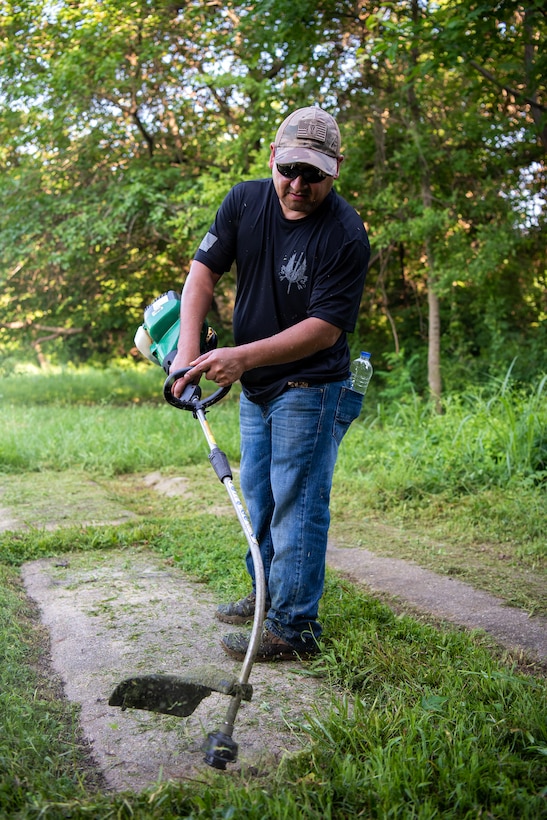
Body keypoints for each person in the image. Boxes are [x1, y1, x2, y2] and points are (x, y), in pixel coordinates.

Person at [170, 106, 370, 662]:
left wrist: (240, 356)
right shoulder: (244, 202)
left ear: (336, 171)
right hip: (258, 385)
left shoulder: (346, 234)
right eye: (290, 171)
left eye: (315, 175)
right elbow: (201, 274)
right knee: (257, 497)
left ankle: (294, 627)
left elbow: (324, 332)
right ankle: (265, 598)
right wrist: (188, 357)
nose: (299, 185)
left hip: (311, 386)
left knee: (298, 502)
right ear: (273, 159)